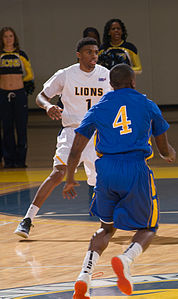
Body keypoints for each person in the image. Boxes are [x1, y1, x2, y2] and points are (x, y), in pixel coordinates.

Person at [64, 64, 176, 297]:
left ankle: (84, 275)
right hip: (135, 168)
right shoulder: (147, 104)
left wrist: (70, 177)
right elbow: (163, 148)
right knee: (148, 227)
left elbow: (77, 147)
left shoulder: (99, 107)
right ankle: (126, 259)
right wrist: (170, 153)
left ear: (111, 84)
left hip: (105, 170)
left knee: (106, 228)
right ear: (133, 82)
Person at [13, 37, 112, 238]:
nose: (94, 56)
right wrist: (49, 106)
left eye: (96, 52)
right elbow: (41, 96)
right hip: (72, 132)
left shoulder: (106, 75)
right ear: (79, 54)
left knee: (101, 181)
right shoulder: (66, 74)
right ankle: (27, 219)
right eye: (89, 52)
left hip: (97, 135)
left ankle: (107, 224)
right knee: (58, 173)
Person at [0, 27, 34, 168]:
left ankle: (21, 160)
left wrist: (23, 82)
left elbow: (29, 74)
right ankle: (9, 160)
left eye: (11, 36)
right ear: (1, 39)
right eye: (5, 36)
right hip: (3, 94)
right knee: (6, 128)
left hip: (19, 94)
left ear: (15, 38)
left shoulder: (21, 54)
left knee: (21, 128)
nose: (8, 39)